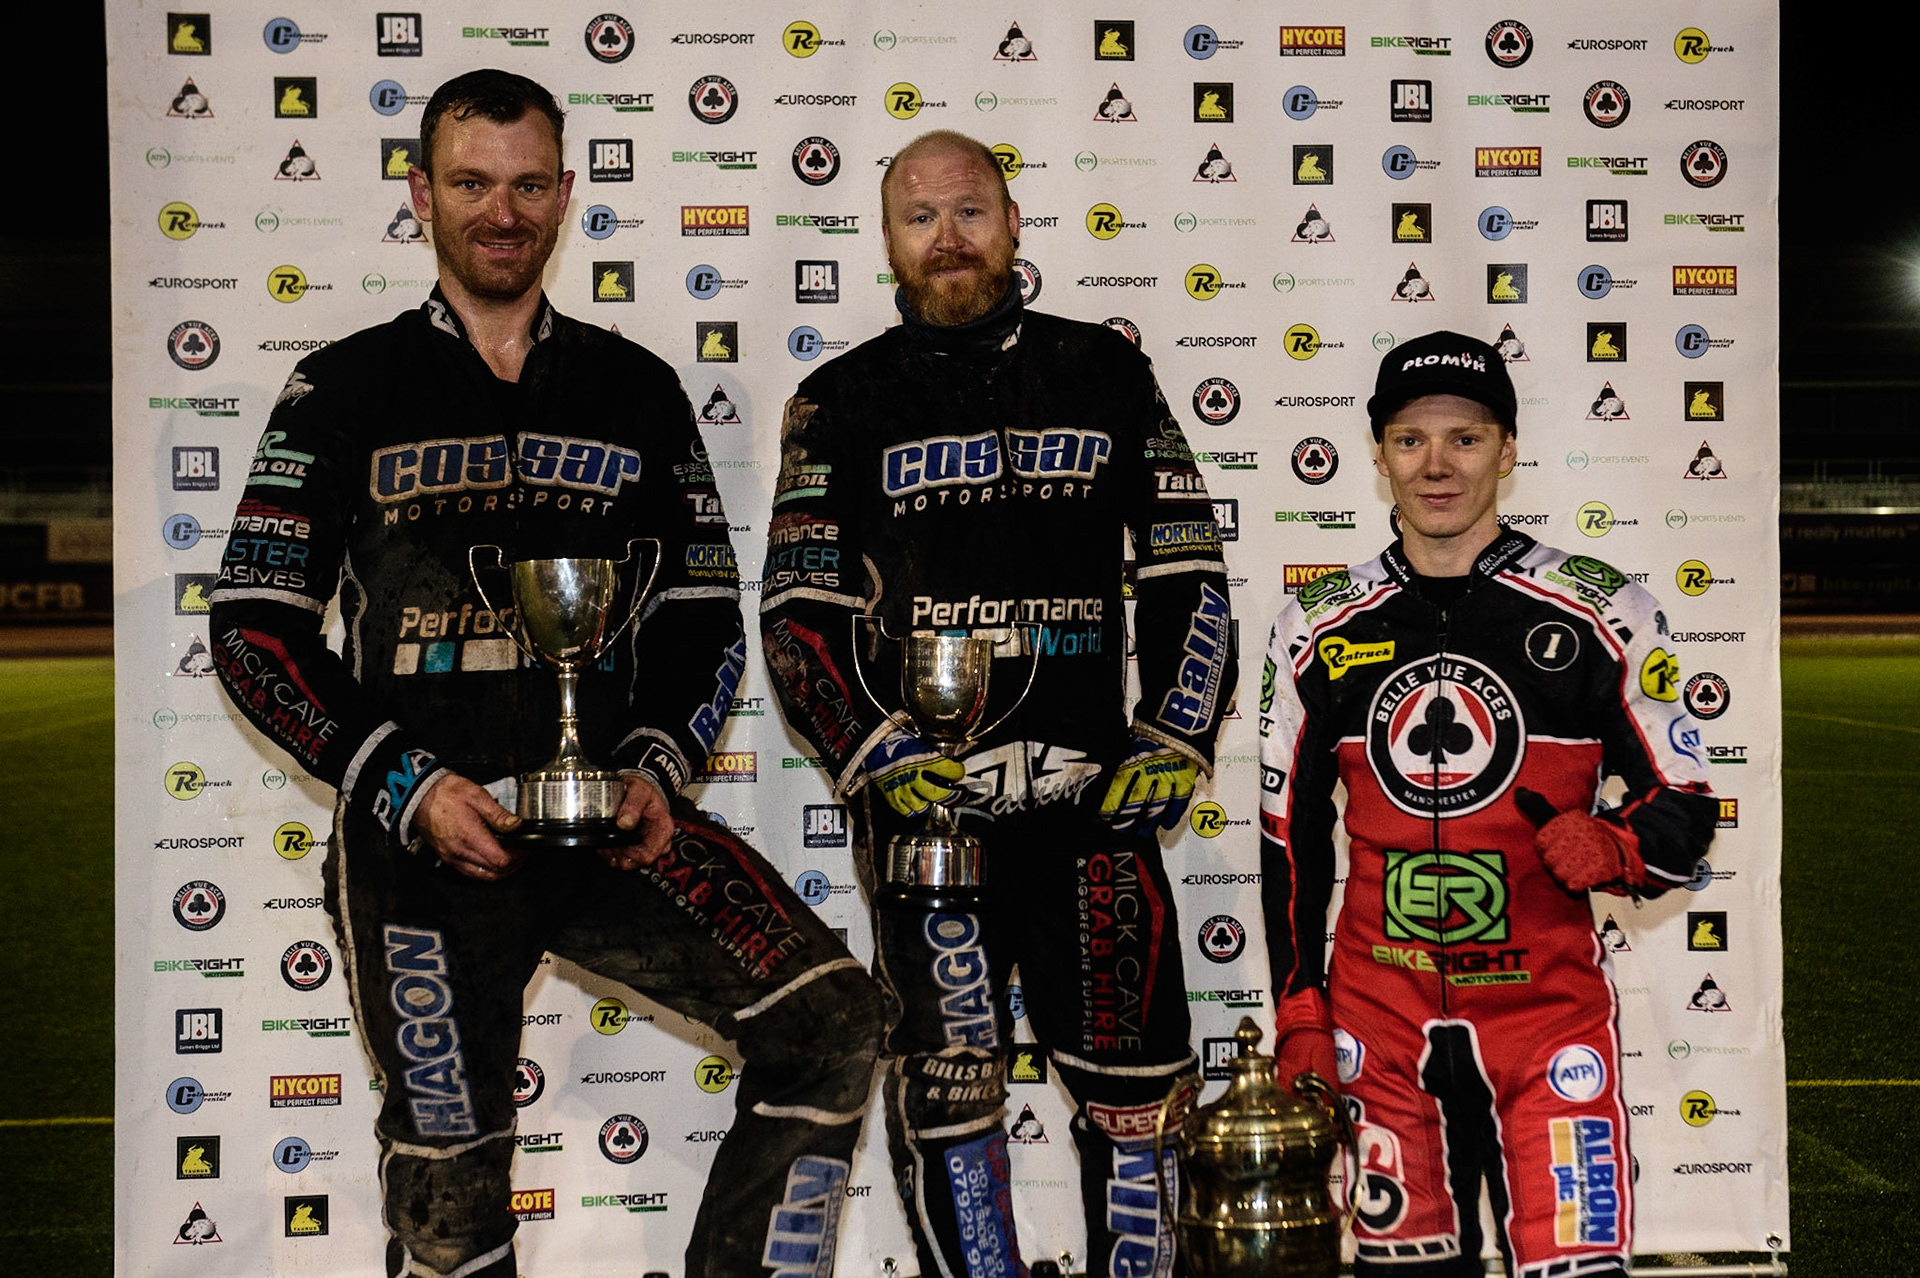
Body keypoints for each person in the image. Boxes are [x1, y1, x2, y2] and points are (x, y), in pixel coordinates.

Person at [206, 69, 880, 1278]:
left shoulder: (638, 390)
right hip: (423, 852)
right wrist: (403, 780)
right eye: (471, 183)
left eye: (526, 185)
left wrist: (658, 766)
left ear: (567, 195)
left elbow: (700, 614)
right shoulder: (345, 385)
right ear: (421, 193)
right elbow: (255, 623)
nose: (500, 212)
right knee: (451, 1198)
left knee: (831, 1022)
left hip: (610, 826)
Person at [760, 129, 1236, 1278]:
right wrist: (873, 752)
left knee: (1137, 1095)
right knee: (954, 1095)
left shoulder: (1106, 370)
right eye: (920, 217)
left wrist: (1176, 729)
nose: (949, 238)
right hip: (932, 820)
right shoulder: (837, 400)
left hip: (1096, 815)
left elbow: (1186, 565)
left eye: (970, 210)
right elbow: (795, 615)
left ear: (1015, 225)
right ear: (887, 241)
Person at [1258, 331, 1720, 1277]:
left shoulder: (1603, 611)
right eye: (1410, 439)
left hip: (1547, 1022)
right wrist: (1300, 1007)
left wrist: (1622, 848)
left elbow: (1690, 803)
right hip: (1375, 1023)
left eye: (1465, 439)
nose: (1437, 465)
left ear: (1508, 451)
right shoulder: (1315, 626)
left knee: (1576, 1272)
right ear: (1378, 454)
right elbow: (1289, 840)